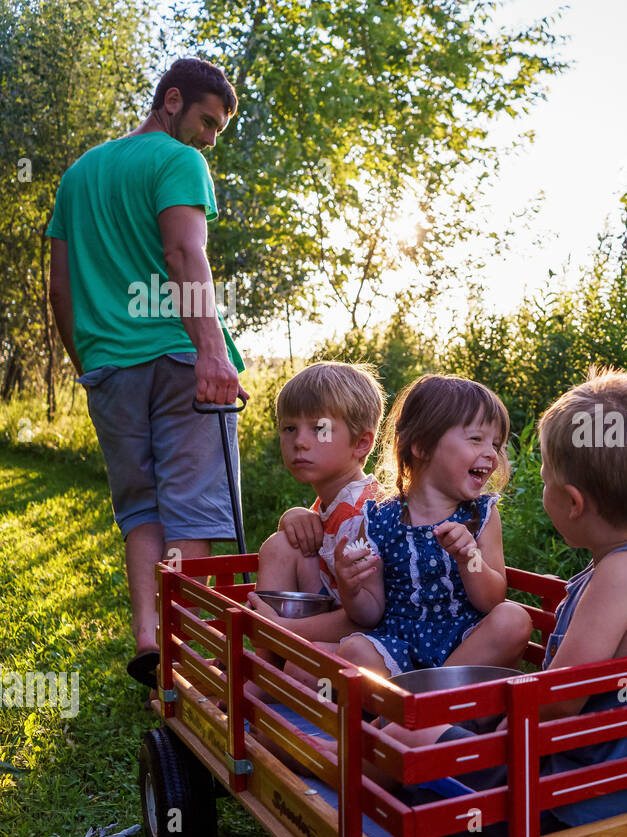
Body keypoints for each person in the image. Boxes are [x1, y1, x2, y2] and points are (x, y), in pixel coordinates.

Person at [383, 368, 627, 830]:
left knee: (403, 734)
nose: (541, 490)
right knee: (440, 724)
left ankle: (357, 803)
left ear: (573, 502)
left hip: (579, 795)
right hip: (626, 775)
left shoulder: (621, 574)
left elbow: (558, 701)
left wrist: (498, 735)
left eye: (544, 480)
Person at [46, 58, 247, 688]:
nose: (211, 138)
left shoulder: (79, 175)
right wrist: (212, 352)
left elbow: (59, 286)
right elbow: (183, 251)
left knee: (141, 510)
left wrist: (90, 363)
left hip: (109, 366)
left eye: (218, 130)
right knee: (195, 513)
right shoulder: (178, 161)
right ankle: (192, 659)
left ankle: (150, 638)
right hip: (179, 357)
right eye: (207, 121)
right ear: (172, 101)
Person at [325, 374, 533, 677]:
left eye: (496, 444)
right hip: (398, 647)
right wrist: (350, 586)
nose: (491, 453)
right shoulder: (376, 520)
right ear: (421, 446)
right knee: (354, 651)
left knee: (513, 618)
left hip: (466, 645)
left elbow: (492, 600)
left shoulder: (481, 515)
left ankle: (428, 705)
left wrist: (468, 558)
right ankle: (445, 713)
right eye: (476, 439)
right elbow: (369, 614)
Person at [244, 362, 386, 649]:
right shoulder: (337, 498)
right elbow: (314, 534)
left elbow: (366, 617)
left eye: (319, 428)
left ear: (360, 444)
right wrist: (293, 515)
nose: (299, 442)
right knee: (281, 544)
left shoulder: (364, 513)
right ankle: (267, 659)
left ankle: (269, 654)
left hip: (373, 636)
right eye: (290, 428)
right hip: (337, 612)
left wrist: (282, 629)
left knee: (303, 672)